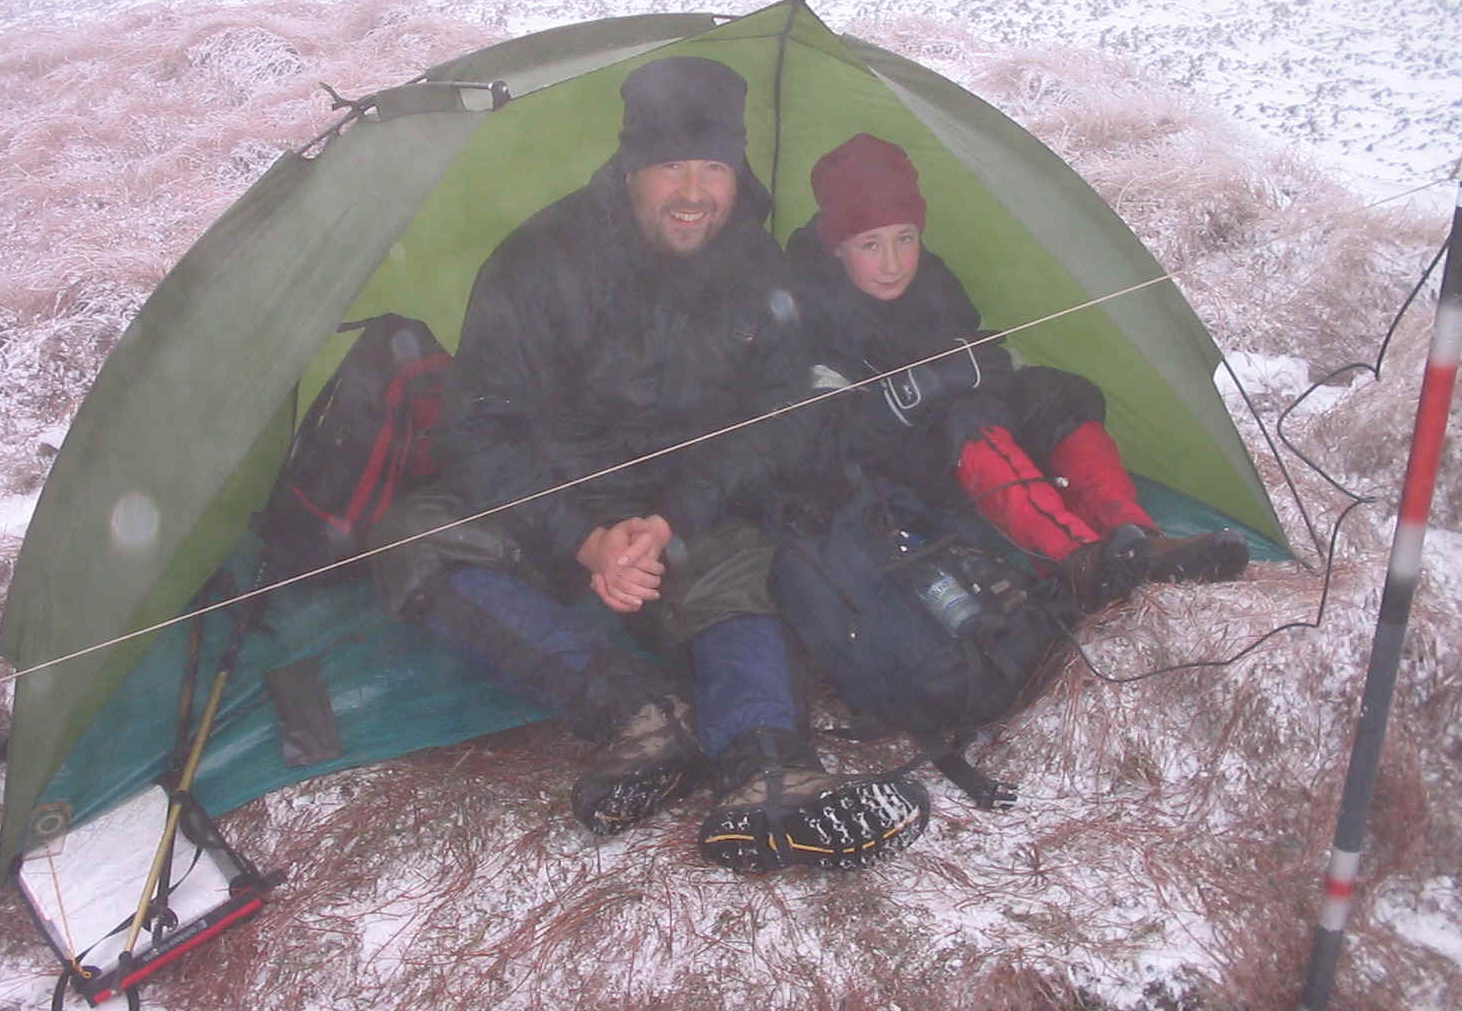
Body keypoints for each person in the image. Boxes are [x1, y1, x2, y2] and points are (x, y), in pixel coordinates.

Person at [383, 60, 930, 874]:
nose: (695, 190)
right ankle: (636, 714)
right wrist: (585, 538)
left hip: (682, 511)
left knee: (743, 558)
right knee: (413, 538)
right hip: (555, 505)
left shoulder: (756, 269)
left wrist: (670, 515)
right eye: (672, 162)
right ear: (631, 166)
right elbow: (479, 428)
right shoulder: (541, 261)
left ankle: (767, 770)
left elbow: (777, 417)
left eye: (714, 165)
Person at [784, 132, 1249, 611]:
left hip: (970, 419)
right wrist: (909, 395)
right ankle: (1078, 560)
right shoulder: (810, 308)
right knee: (968, 422)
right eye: (870, 245)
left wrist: (975, 367)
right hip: (902, 462)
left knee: (1054, 393)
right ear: (837, 246)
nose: (893, 262)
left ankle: (1139, 540)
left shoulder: (933, 278)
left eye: (906, 238)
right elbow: (830, 440)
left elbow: (987, 352)